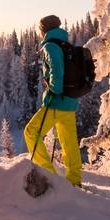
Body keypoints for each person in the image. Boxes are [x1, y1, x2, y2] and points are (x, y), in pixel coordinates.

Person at [23, 14, 82, 187]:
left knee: (31, 132)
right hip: (70, 102)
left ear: (43, 29)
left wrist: (54, 91)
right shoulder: (66, 45)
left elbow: (57, 71)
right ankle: (74, 181)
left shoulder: (50, 46)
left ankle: (48, 174)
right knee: (69, 143)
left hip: (56, 102)